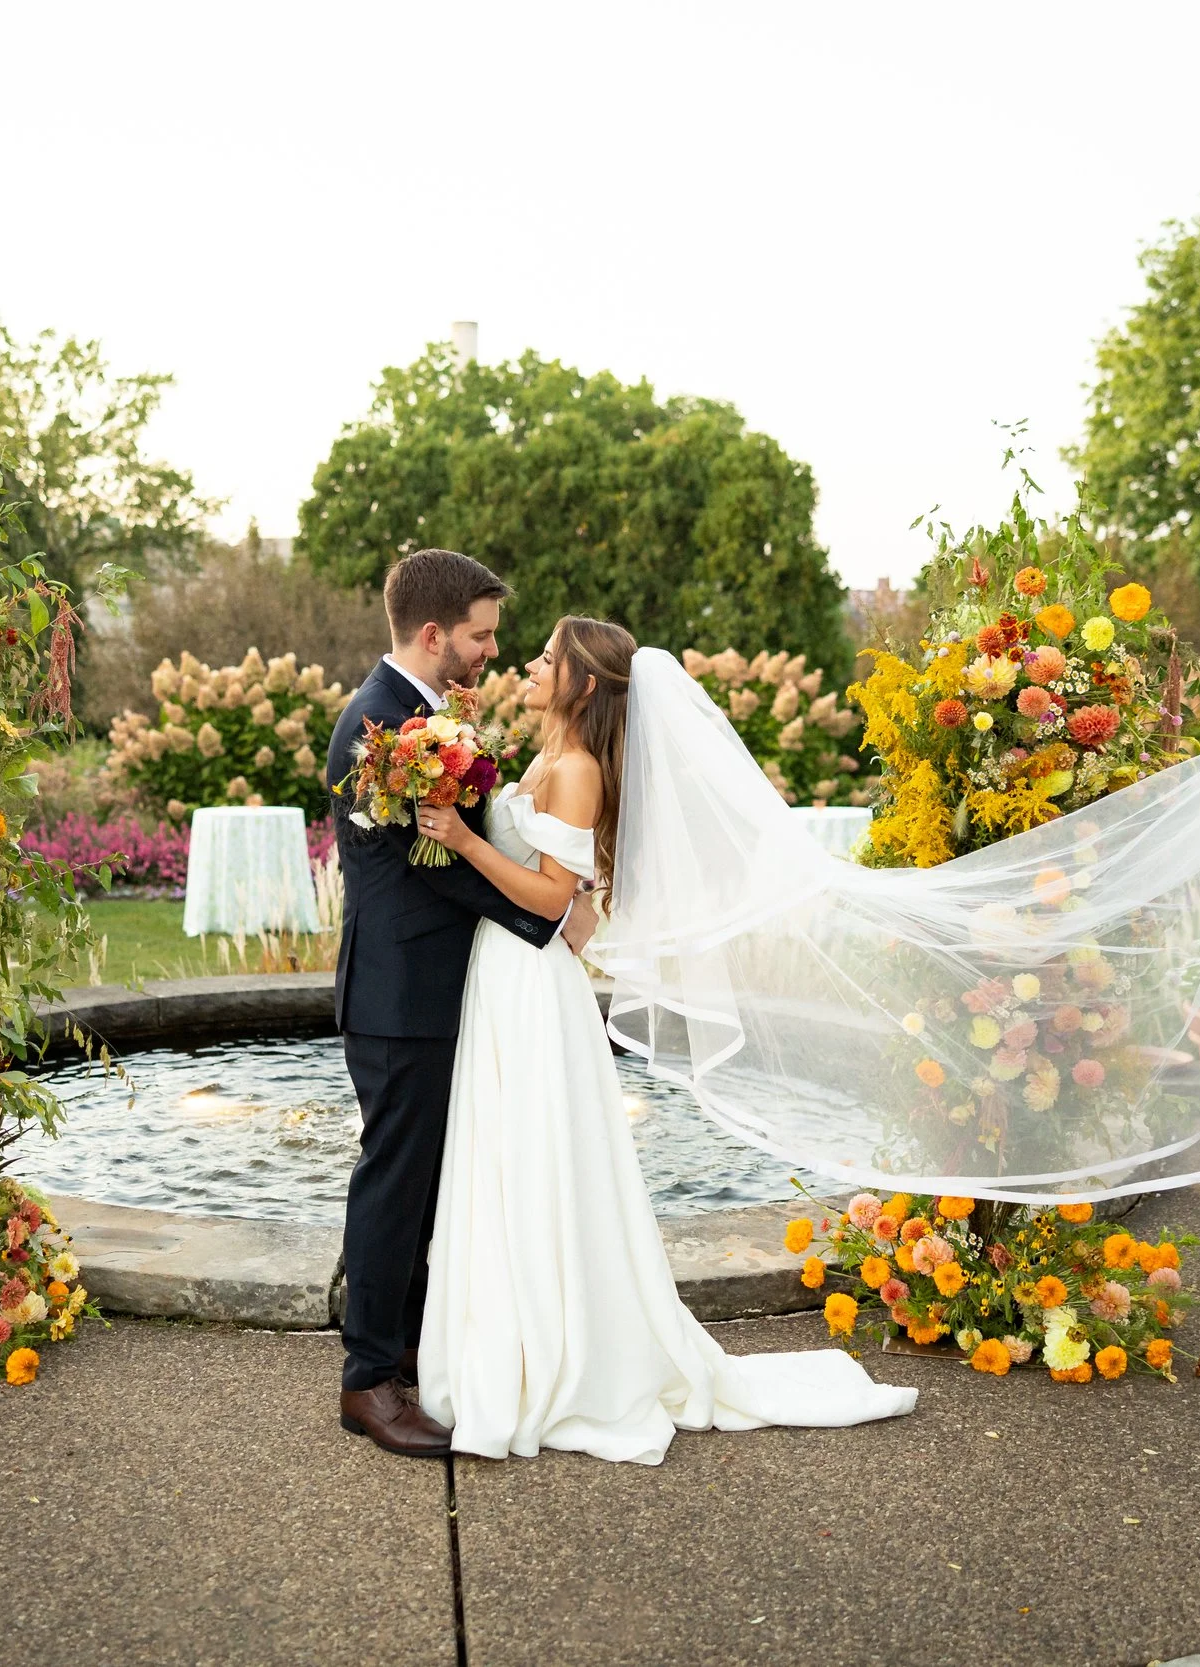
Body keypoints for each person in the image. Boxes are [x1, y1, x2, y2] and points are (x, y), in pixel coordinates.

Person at [408, 615, 916, 1465]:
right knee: (506, 1159)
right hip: (505, 979)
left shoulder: (575, 773)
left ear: (583, 683)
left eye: (546, 658)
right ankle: (512, 1341)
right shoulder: (544, 757)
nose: (529, 663)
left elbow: (544, 902)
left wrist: (460, 840)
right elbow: (579, 914)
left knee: (536, 1162)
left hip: (530, 986)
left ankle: (560, 1362)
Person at [325, 550, 597, 1459]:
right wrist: (542, 920)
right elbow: (426, 868)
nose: (490, 649)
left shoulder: (427, 718)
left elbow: (461, 843)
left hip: (444, 991)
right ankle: (366, 1380)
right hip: (401, 992)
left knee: (429, 1181)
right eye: (480, 634)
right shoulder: (378, 725)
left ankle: (403, 1347)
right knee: (395, 1178)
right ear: (435, 633)